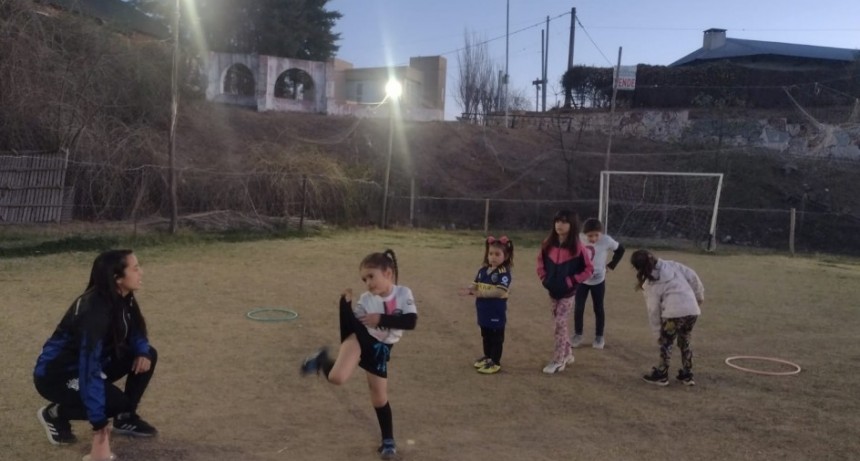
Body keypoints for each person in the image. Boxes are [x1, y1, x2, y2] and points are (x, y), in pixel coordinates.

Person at [33, 250, 158, 461]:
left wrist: (142, 351)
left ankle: (125, 417)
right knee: (114, 403)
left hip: (93, 364)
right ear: (117, 278)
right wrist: (98, 422)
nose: (141, 272)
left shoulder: (122, 297)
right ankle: (55, 413)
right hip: (57, 375)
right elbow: (88, 367)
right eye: (135, 269)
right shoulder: (94, 311)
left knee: (149, 354)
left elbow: (135, 331)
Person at [300, 249, 418, 460]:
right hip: (359, 338)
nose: (368, 283)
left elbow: (410, 321)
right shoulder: (365, 298)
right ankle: (322, 360)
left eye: (371, 276)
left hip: (381, 348)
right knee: (337, 378)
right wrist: (344, 305)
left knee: (379, 396)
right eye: (364, 279)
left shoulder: (403, 294)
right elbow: (351, 326)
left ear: (388, 273)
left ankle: (388, 441)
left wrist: (381, 319)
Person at [629, 249, 704, 386]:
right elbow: (693, 277)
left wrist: (658, 333)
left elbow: (653, 310)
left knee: (666, 343)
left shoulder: (650, 284)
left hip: (673, 314)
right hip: (692, 310)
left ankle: (662, 375)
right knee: (685, 339)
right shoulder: (672, 265)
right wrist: (699, 297)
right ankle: (687, 375)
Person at [536, 210, 594, 374]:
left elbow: (589, 269)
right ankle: (567, 353)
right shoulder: (547, 244)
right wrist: (544, 278)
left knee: (560, 324)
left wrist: (571, 281)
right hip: (552, 290)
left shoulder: (578, 248)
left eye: (564, 222)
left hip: (568, 293)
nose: (559, 225)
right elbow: (540, 263)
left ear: (572, 225)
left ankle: (558, 360)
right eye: (557, 221)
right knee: (559, 323)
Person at [458, 235, 514, 375]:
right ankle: (487, 357)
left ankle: (495, 361)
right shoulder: (483, 271)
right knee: (486, 335)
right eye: (490, 254)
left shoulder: (503, 273)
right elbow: (475, 284)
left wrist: (481, 294)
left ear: (505, 256)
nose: (493, 257)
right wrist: (469, 289)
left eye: (497, 254)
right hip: (483, 311)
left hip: (496, 312)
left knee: (496, 337)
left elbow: (500, 291)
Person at [573, 218, 625, 350]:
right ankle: (578, 335)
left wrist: (611, 265)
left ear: (601, 233)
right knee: (579, 308)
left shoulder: (606, 240)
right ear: (584, 234)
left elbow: (620, 250)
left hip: (598, 281)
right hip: (582, 281)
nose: (593, 238)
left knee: (598, 308)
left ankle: (599, 336)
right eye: (590, 235)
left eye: (597, 235)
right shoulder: (579, 239)